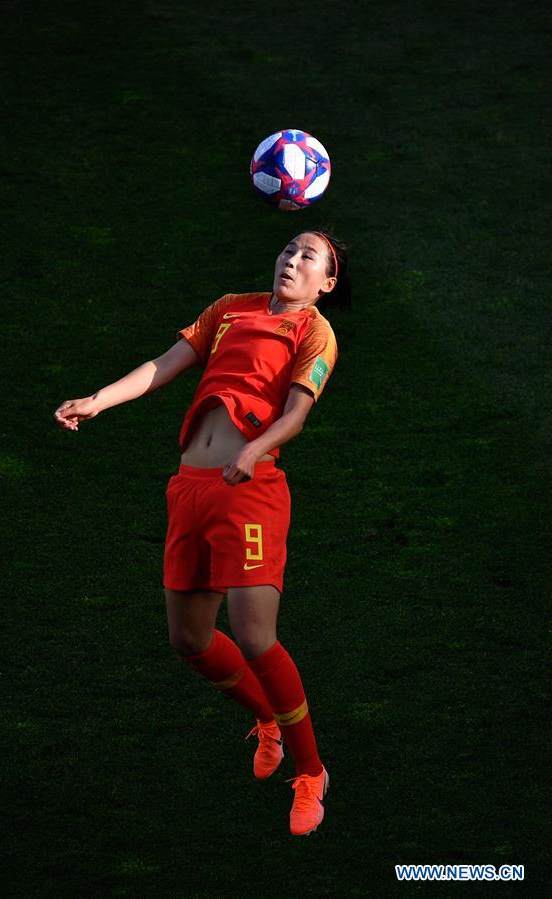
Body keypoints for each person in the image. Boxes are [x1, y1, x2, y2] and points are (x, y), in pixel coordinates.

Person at [54, 230, 350, 836]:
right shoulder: (229, 308)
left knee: (254, 636)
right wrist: (98, 400)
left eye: (309, 258)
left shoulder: (314, 331)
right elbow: (164, 366)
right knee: (189, 639)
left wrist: (257, 449)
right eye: (289, 250)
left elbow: (296, 412)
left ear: (327, 282)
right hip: (190, 487)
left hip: (251, 486)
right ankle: (266, 720)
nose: (293, 261)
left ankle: (311, 772)